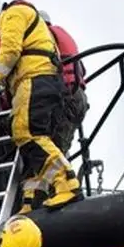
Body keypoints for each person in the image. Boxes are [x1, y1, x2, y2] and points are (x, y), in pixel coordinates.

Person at [0, 0, 81, 213]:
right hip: (42, 80)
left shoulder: (12, 15)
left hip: (34, 78)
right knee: (31, 144)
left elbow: (10, 50)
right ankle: (34, 198)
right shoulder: (23, 16)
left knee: (27, 133)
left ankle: (66, 182)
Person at [38, 10, 89, 156]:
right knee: (60, 150)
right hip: (78, 97)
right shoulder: (62, 34)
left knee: (51, 155)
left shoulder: (44, 36)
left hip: (63, 98)